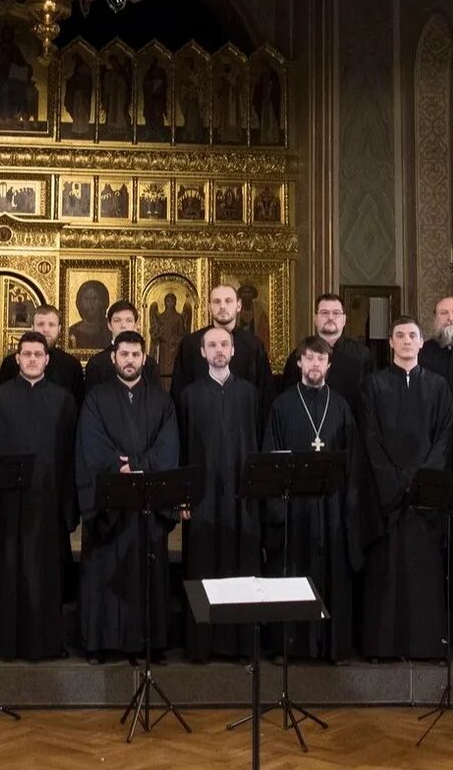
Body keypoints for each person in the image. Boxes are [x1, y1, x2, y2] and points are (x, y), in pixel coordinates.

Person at [75, 330, 180, 663]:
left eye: (136, 355)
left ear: (144, 358)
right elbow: (90, 444)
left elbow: (169, 445)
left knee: (149, 572)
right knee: (104, 571)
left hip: (148, 502)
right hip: (111, 504)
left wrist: (135, 464)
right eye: (124, 355)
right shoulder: (96, 398)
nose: (130, 360)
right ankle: (102, 643)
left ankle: (151, 643)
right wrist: (117, 467)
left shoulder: (162, 400)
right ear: (113, 357)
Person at [0, 331, 79, 659]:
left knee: (44, 573)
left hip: (47, 501)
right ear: (16, 359)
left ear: (47, 359)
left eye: (38, 354)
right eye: (26, 354)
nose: (32, 359)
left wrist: (68, 504)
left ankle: (45, 643)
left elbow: (73, 455)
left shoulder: (64, 400)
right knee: (4, 572)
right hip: (5, 502)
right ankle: (1, 642)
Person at [355, 316, 453, 661]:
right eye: (400, 335)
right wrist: (394, 481)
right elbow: (370, 437)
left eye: (413, 335)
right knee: (385, 574)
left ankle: (424, 646)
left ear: (422, 343)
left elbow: (443, 438)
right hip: (387, 497)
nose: (407, 341)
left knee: (422, 573)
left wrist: (419, 479)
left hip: (423, 497)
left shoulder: (439, 386)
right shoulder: (373, 385)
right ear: (391, 343)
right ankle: (383, 646)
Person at [263, 337, 365, 663]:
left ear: (329, 365)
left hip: (332, 507)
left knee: (333, 574)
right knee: (293, 573)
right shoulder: (282, 405)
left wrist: (348, 506)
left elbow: (353, 460)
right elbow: (271, 458)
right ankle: (290, 647)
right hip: (295, 509)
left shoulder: (341, 405)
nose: (315, 365)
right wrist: (279, 510)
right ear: (299, 363)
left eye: (321, 359)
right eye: (309, 359)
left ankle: (332, 648)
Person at [174, 326, 262, 661]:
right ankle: (201, 646)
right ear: (202, 352)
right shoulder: (189, 395)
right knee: (202, 567)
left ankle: (241, 645)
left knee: (242, 567)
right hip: (202, 496)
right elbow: (181, 447)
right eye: (212, 345)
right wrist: (183, 495)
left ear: (234, 350)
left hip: (242, 496)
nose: (219, 350)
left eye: (224, 344)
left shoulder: (250, 394)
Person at [280, 292, 376, 422]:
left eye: (336, 313)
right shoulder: (300, 354)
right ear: (315, 318)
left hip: (351, 430)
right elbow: (288, 399)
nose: (330, 317)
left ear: (344, 319)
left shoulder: (362, 355)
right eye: (324, 313)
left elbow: (371, 401)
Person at [171, 284, 274, 404]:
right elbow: (179, 394)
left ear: (238, 305)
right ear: (209, 307)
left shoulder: (254, 345)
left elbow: (265, 395)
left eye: (228, 301)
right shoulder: (190, 344)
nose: (222, 306)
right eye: (216, 302)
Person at [0, 304, 86, 402]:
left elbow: (77, 408)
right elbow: (0, 401)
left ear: (59, 329)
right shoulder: (11, 363)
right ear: (32, 327)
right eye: (40, 324)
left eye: (51, 325)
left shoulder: (71, 366)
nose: (46, 330)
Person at [84, 300, 162, 391]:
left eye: (129, 320)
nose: (123, 325)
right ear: (109, 325)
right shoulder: (96, 364)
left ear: (136, 325)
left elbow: (156, 400)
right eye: (117, 320)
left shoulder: (149, 364)